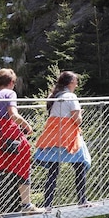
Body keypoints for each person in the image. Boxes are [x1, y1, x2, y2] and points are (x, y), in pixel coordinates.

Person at [0, 68, 44, 215]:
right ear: (11, 82)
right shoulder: (10, 93)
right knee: (23, 167)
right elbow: (13, 115)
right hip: (10, 136)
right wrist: (27, 125)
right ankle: (26, 205)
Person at [34, 71, 92, 208]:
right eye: (76, 82)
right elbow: (77, 121)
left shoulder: (53, 96)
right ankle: (82, 201)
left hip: (53, 136)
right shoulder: (71, 96)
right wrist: (79, 114)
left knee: (53, 171)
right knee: (81, 164)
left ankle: (47, 205)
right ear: (71, 83)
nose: (76, 85)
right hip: (68, 137)